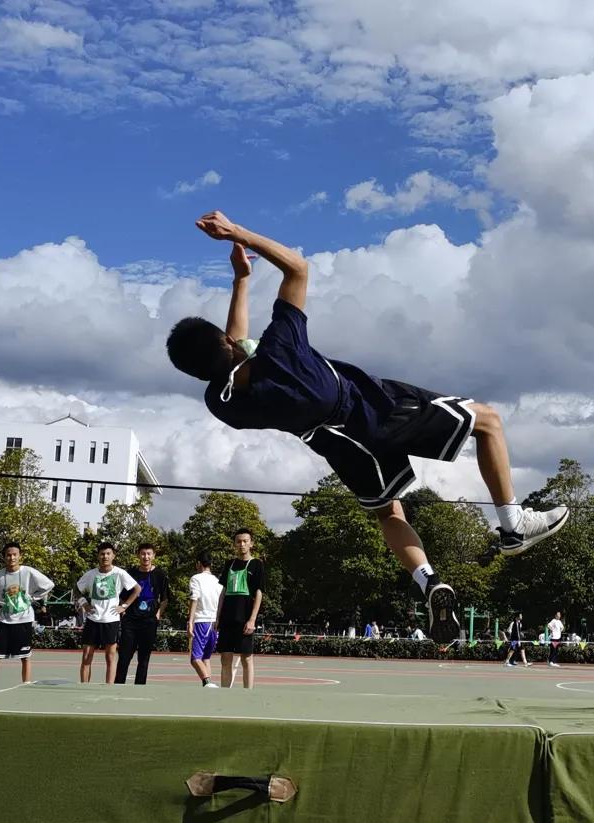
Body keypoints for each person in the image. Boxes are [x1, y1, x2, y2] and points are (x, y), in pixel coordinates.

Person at [167, 212, 570, 642]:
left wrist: (241, 282)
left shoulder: (222, 402)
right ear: (228, 345)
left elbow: (232, 349)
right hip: (376, 409)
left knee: (389, 512)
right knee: (488, 422)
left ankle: (429, 582)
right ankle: (513, 526)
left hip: (338, 446)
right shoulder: (281, 348)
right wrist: (239, 233)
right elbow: (298, 268)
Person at [0, 542, 54, 693]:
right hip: (5, 620)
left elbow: (49, 585)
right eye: (8, 555)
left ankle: (26, 687)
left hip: (24, 620)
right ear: (4, 557)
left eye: (14, 555)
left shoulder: (28, 572)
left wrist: (33, 597)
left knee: (25, 657)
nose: (11, 557)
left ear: (20, 556)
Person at [76, 543, 140, 684]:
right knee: (86, 657)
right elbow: (76, 589)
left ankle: (109, 688)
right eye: (102, 554)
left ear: (113, 555)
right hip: (93, 619)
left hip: (111, 620)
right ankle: (84, 687)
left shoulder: (119, 573)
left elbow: (137, 589)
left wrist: (124, 606)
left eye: (108, 553)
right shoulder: (90, 574)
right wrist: (84, 603)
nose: (105, 556)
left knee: (110, 657)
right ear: (98, 556)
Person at [214, 529, 264, 689]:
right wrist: (217, 616)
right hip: (227, 617)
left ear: (251, 543)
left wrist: (252, 619)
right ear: (235, 544)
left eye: (245, 541)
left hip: (245, 619)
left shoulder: (257, 564)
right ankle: (225, 693)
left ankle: (247, 694)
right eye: (238, 541)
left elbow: (259, 593)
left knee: (246, 658)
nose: (242, 544)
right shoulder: (230, 564)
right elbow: (223, 592)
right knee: (225, 658)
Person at [115, 543, 170, 685]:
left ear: (154, 556)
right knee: (124, 657)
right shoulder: (131, 573)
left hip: (149, 622)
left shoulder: (160, 574)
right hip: (131, 621)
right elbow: (122, 595)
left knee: (144, 659)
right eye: (143, 553)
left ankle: (140, 687)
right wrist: (123, 610)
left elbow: (164, 599)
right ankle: (118, 685)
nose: (146, 557)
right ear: (138, 555)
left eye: (149, 554)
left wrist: (158, 614)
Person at [188, 552, 222, 687]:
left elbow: (194, 599)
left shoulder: (195, 579)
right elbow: (221, 602)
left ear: (198, 564)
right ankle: (208, 686)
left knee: (195, 658)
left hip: (202, 620)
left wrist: (190, 621)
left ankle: (207, 682)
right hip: (214, 623)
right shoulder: (218, 581)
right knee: (206, 657)